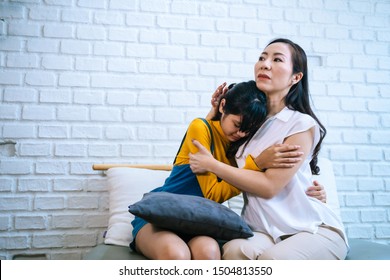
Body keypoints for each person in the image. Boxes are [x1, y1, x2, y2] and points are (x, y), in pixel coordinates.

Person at [189, 38, 348, 260]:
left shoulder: (300, 124)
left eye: (277, 59)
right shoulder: (248, 123)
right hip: (264, 230)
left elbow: (270, 186)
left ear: (296, 77)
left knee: (271, 262)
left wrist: (212, 165)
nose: (265, 64)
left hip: (311, 228)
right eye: (262, 58)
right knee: (234, 252)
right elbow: (210, 140)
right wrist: (215, 113)